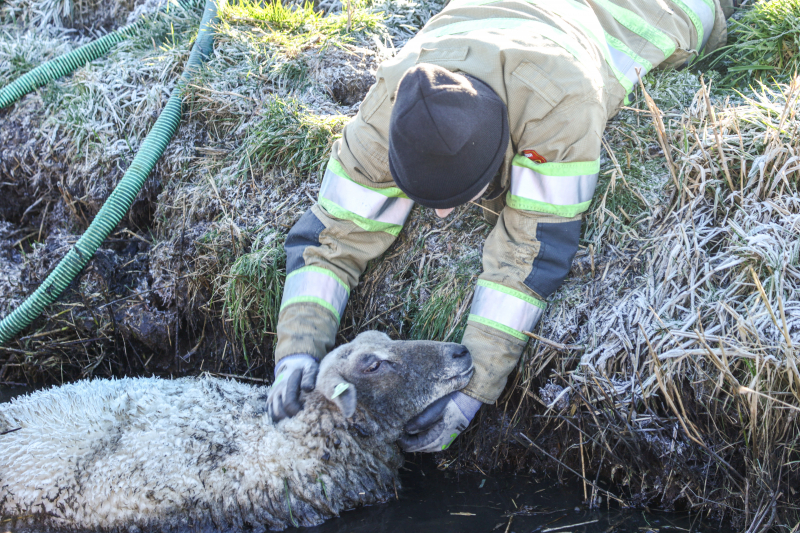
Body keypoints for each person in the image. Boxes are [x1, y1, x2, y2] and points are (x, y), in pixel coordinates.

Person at [267, 0, 736, 452]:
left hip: (655, 10)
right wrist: (297, 350)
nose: (442, 217)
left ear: (501, 155)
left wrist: (475, 389)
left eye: (456, 198)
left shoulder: (561, 110)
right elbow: (331, 238)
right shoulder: (386, 112)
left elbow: (528, 254)